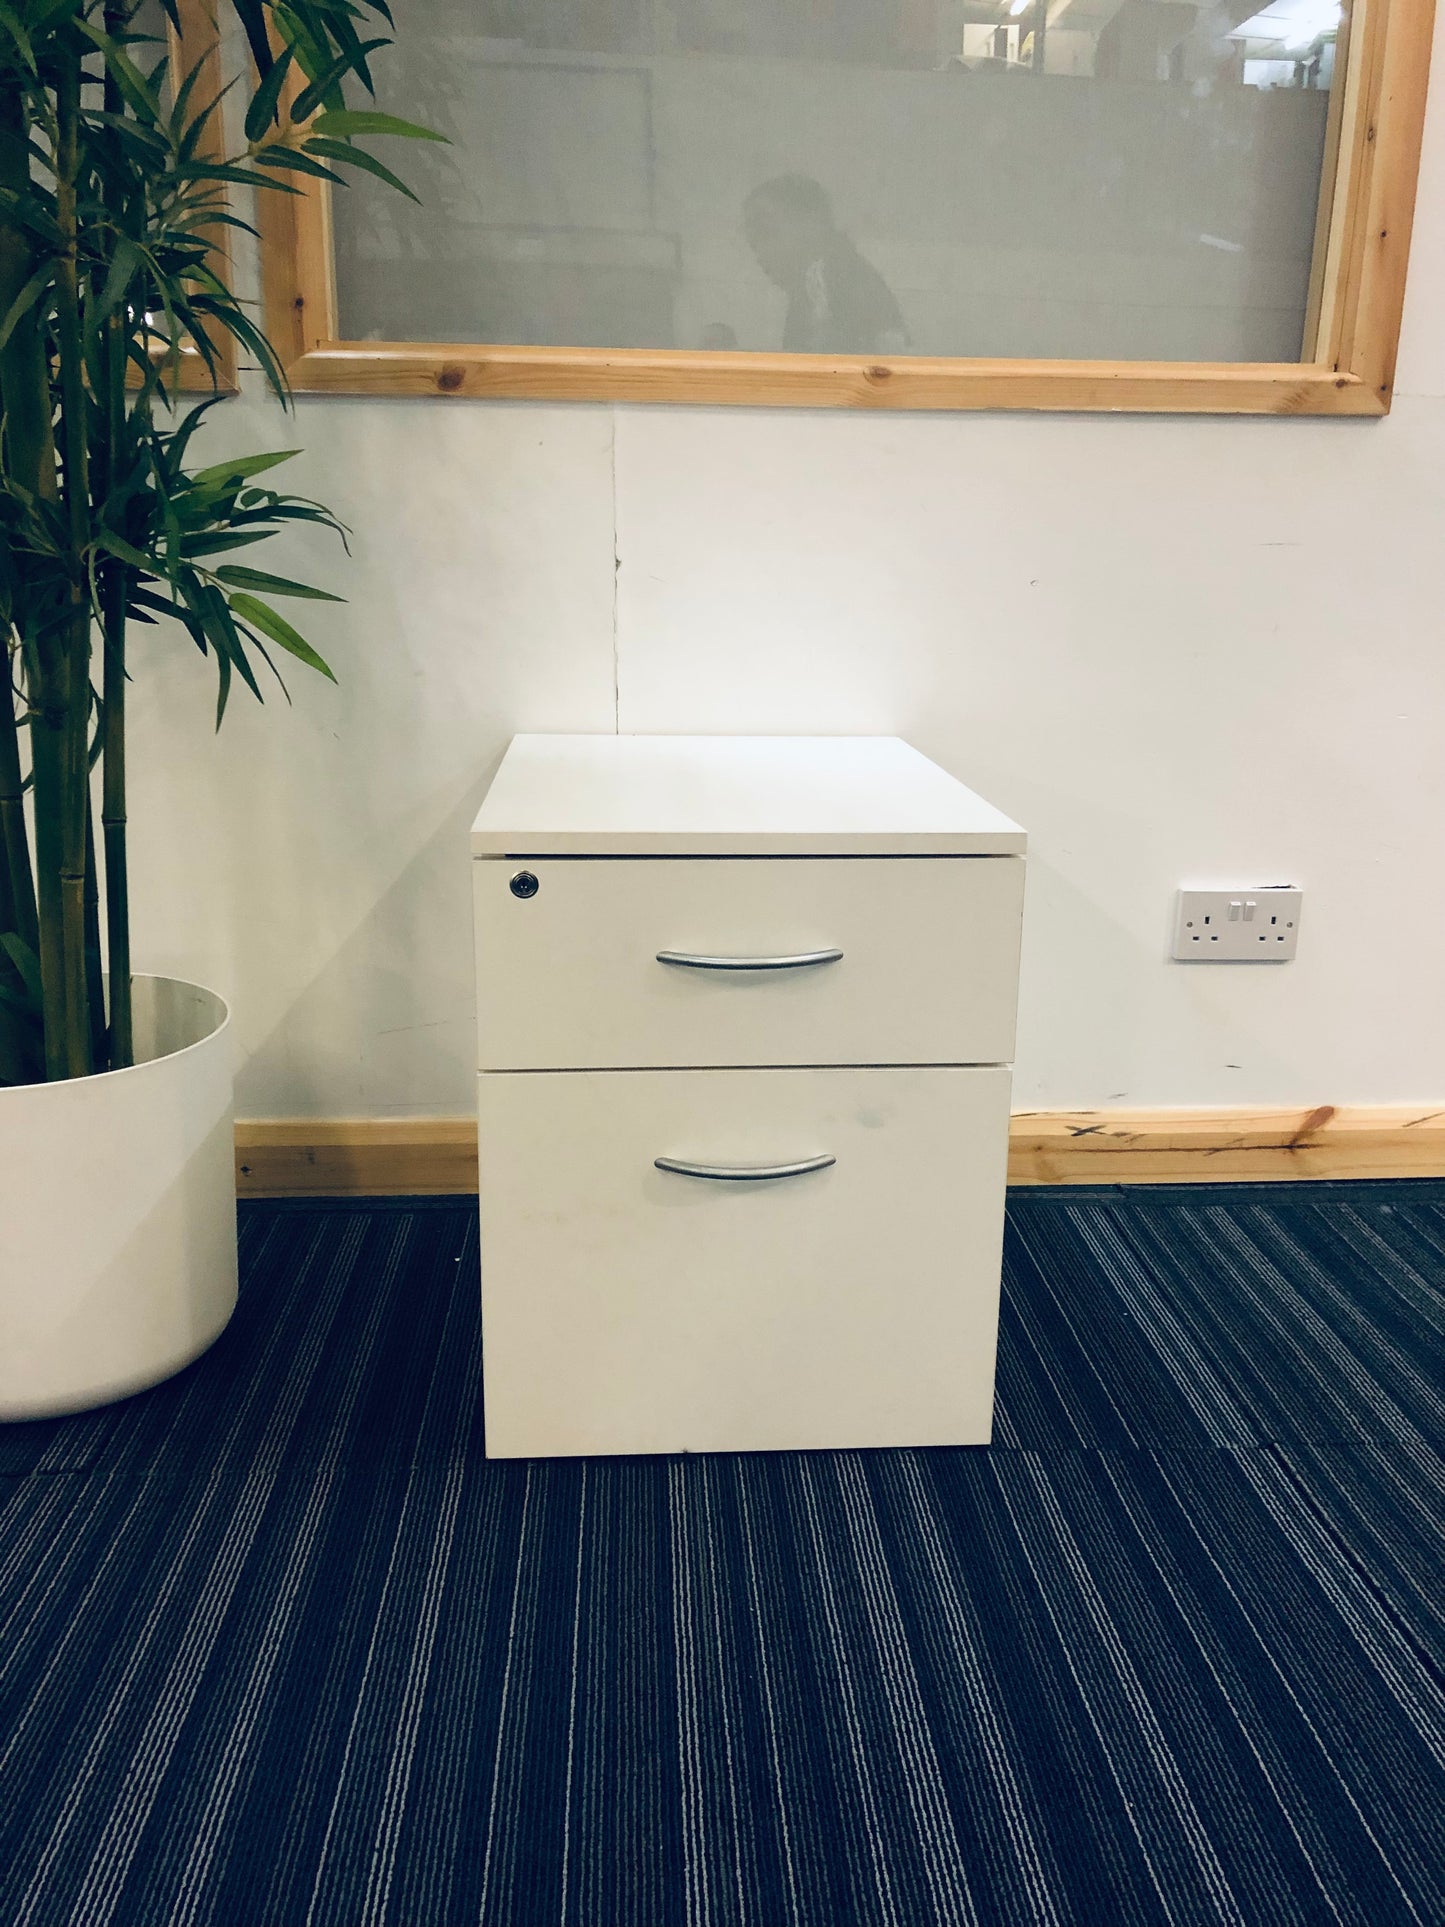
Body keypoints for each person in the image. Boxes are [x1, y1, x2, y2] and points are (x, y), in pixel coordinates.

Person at [743, 175, 909, 355]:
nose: (759, 253)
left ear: (812, 225)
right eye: (753, 241)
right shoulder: (821, 280)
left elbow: (831, 368)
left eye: (767, 233)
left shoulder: (834, 278)